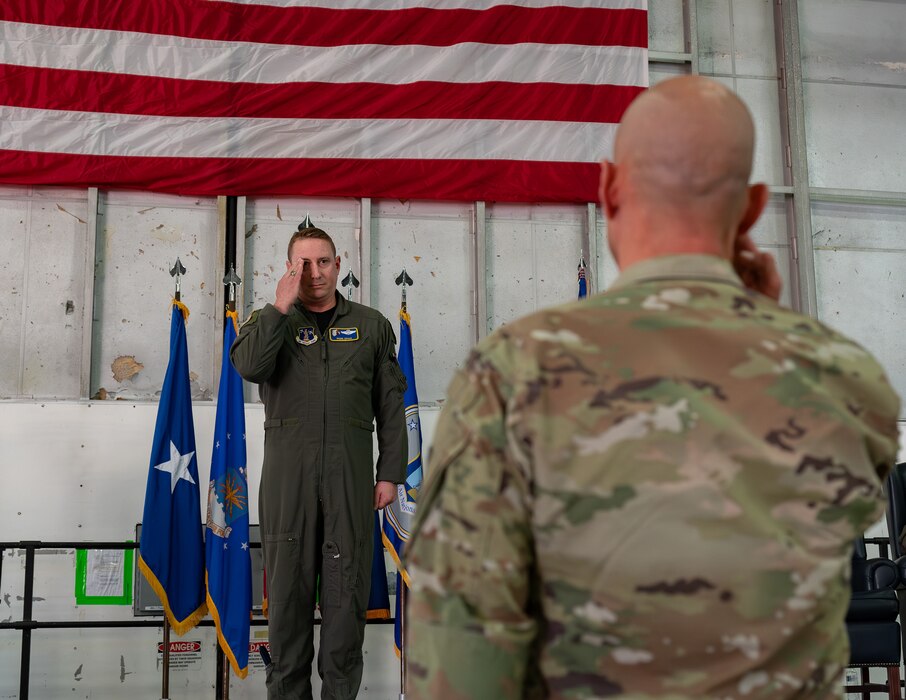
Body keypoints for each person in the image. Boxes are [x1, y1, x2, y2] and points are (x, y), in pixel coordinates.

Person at [405, 76, 901, 699]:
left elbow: (461, 660)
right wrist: (760, 325)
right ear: (751, 208)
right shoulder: (847, 380)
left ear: (610, 188)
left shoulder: (511, 375)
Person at [231, 225, 406, 700]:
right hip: (289, 481)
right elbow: (248, 367)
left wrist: (390, 472)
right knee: (286, 602)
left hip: (349, 478)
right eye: (302, 264)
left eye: (322, 262)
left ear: (338, 265)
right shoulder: (270, 322)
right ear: (289, 269)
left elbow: (390, 405)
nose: (314, 273)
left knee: (346, 601)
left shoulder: (371, 325)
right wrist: (278, 307)